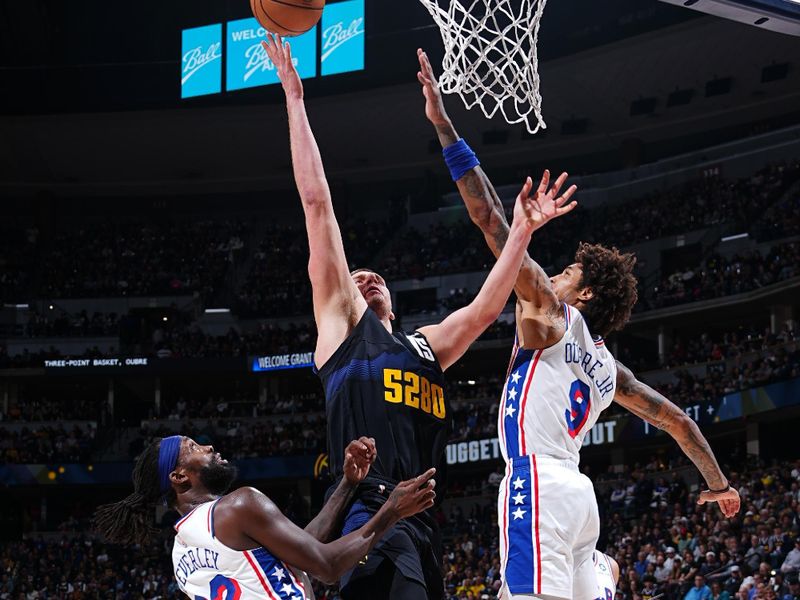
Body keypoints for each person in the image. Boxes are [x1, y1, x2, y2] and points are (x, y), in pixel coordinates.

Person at [416, 48, 741, 600]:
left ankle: (602, 572)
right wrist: (720, 485)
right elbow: (680, 423)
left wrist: (444, 126)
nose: (556, 275)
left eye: (566, 271)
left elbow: (491, 220)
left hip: (536, 482)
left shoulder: (551, 315)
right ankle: (604, 572)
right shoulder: (611, 370)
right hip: (579, 500)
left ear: (584, 292)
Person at [262, 33, 552, 600]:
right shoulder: (342, 329)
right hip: (364, 516)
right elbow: (317, 204)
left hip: (419, 524)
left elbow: (486, 307)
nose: (366, 279)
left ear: (393, 302)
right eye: (357, 276)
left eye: (378, 279)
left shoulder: (423, 345)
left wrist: (520, 233)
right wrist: (294, 97)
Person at [94, 435, 436, 599]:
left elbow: (302, 553)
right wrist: (391, 511)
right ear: (179, 476)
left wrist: (348, 484)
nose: (209, 447)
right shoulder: (237, 506)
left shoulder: (180, 553)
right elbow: (327, 567)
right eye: (194, 447)